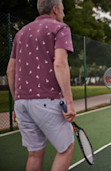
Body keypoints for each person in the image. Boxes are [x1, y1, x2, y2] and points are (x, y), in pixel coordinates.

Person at [6, 0, 76, 170]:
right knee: (66, 149)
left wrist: (17, 101)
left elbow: (10, 70)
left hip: (22, 103)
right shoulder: (61, 28)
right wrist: (70, 102)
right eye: (63, 10)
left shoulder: (20, 33)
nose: (64, 14)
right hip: (47, 99)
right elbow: (60, 64)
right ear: (55, 9)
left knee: (34, 154)